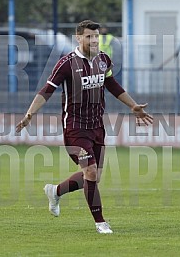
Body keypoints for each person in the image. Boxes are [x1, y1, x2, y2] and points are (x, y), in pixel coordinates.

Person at [16, 20, 153, 234]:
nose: (94, 40)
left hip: (97, 127)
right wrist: (29, 114)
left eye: (96, 36)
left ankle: (55, 191)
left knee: (94, 176)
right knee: (89, 172)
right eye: (89, 36)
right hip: (75, 128)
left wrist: (133, 105)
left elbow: (112, 85)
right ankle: (100, 222)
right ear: (78, 38)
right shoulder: (66, 63)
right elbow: (46, 90)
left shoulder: (104, 60)